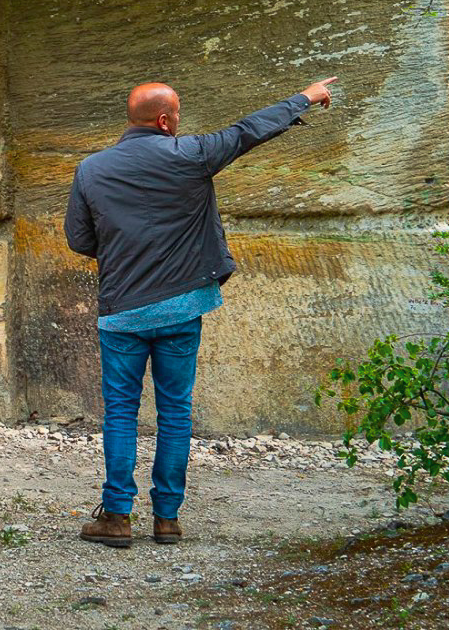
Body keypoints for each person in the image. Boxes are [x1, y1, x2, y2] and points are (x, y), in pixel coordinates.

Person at [66, 77, 339, 549]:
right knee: (175, 413)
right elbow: (248, 131)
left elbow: (80, 239)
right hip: (181, 307)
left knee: (120, 415)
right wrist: (304, 98)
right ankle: (167, 519)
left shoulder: (91, 169)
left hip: (122, 312)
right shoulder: (191, 154)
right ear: (165, 120)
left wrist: (123, 253)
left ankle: (116, 516)